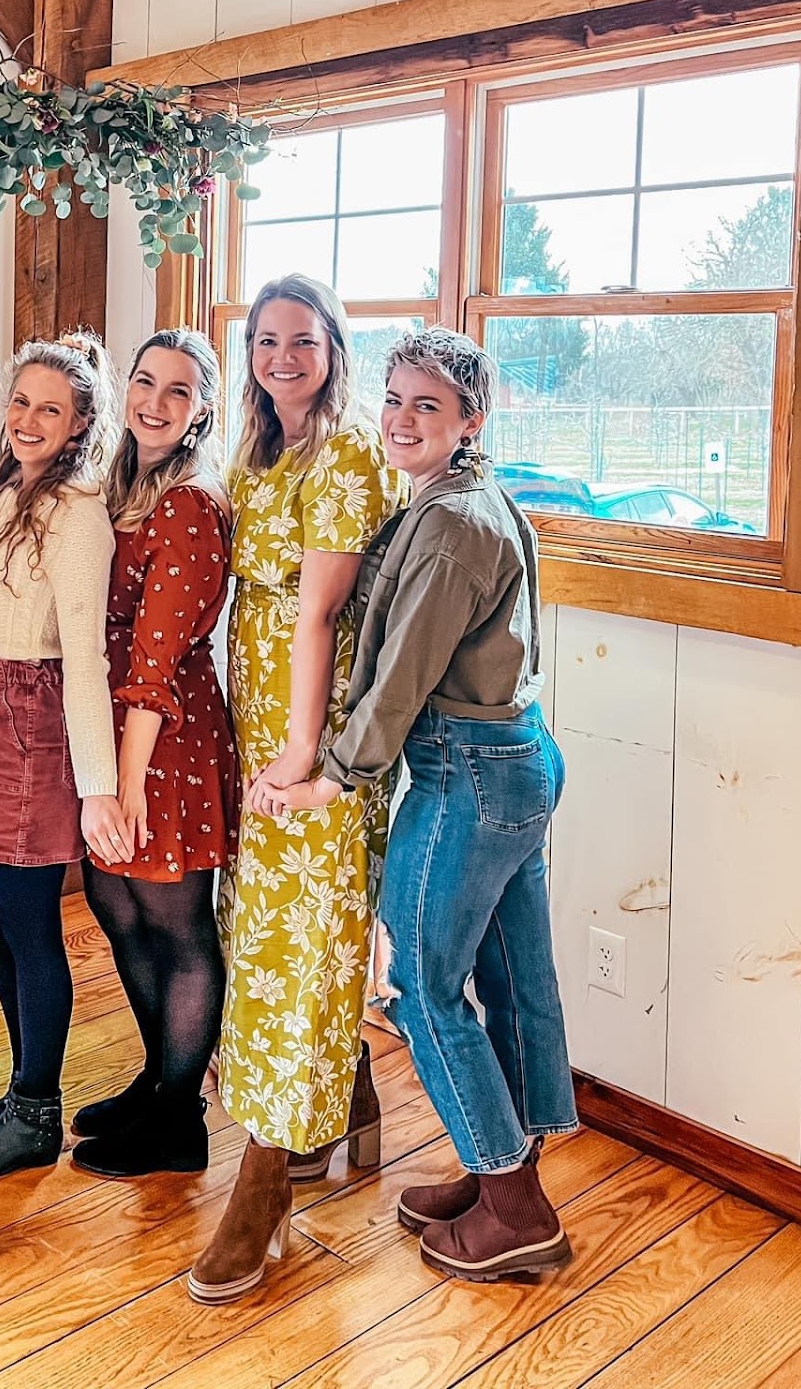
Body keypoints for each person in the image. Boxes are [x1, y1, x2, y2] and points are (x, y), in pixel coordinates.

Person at [257, 327, 576, 1282]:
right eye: (394, 398)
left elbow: (403, 676)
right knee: (513, 981)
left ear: (471, 420)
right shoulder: (466, 499)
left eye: (427, 405)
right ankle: (501, 1171)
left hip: (466, 770)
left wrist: (334, 773)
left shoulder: (451, 527)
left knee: (417, 988)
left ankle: (515, 1207)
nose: (401, 419)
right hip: (515, 760)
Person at [189, 275, 405, 1305]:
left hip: (311, 732)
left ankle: (268, 1175)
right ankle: (346, 1099)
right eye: (267, 340)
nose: (283, 356)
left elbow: (319, 614)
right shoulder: (259, 447)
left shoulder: (346, 451)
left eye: (303, 341)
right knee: (269, 932)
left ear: (334, 350)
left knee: (300, 941)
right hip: (258, 715)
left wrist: (303, 752)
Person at [0, 333, 134, 1180]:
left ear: (81, 422)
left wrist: (98, 789)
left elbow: (86, 659)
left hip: (32, 717)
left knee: (29, 926)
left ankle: (37, 1114)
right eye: (20, 401)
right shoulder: (0, 487)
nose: (28, 419)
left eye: (50, 410)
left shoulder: (77, 514)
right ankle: (21, 1095)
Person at [72, 328, 237, 1180]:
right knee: (117, 903)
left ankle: (181, 1119)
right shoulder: (121, 484)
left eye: (179, 390)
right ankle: (158, 1078)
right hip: (118, 729)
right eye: (145, 382)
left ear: (203, 409)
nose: (156, 402)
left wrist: (127, 781)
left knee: (175, 921)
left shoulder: (188, 503)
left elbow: (156, 661)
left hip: (163, 734)